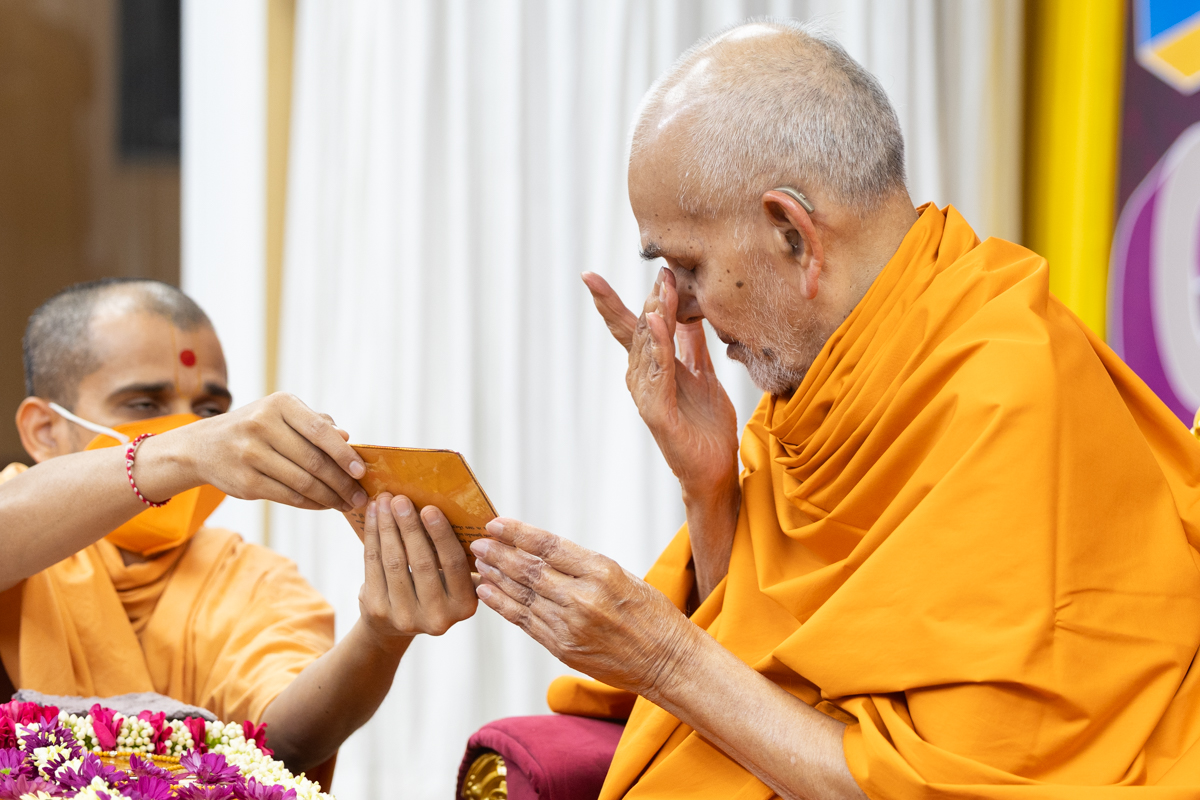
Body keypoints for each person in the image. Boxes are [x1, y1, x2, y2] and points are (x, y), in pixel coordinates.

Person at [467, 19, 1200, 800]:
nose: (682, 310)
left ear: (794, 234)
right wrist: (709, 492)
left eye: (690, 266)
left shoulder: (1005, 391)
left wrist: (664, 655)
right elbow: (771, 672)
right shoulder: (822, 385)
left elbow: (938, 786)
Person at [0, 278, 477, 777]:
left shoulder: (255, 577)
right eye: (144, 405)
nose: (192, 427)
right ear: (44, 431)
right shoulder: (19, 525)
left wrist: (380, 637)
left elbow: (282, 743)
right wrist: (180, 453)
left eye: (210, 410)